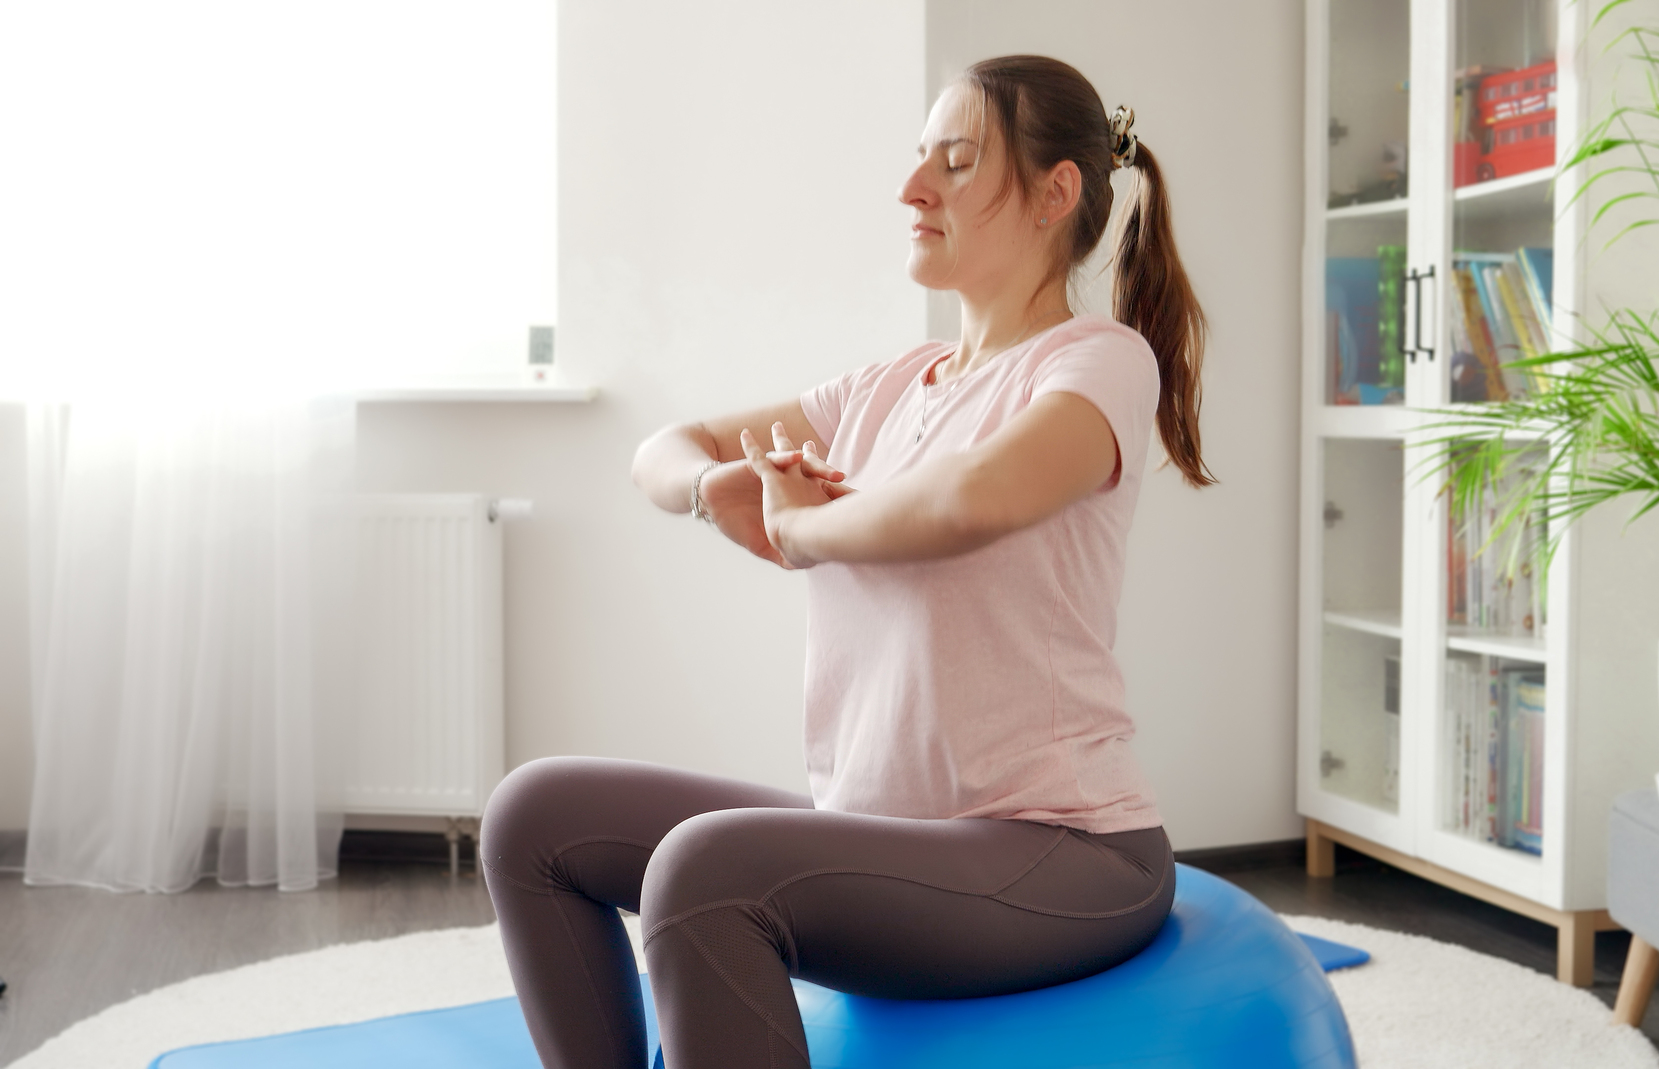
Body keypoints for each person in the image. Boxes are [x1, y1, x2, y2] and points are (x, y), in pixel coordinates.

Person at [481, 54, 1212, 1069]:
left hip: (1059, 850)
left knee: (703, 871)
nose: (913, 190)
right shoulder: (886, 387)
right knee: (534, 815)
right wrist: (712, 491)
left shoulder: (1093, 364)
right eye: (918, 161)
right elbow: (664, 447)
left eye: (955, 163)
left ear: (1057, 192)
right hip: (881, 836)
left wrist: (799, 528)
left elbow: (970, 500)